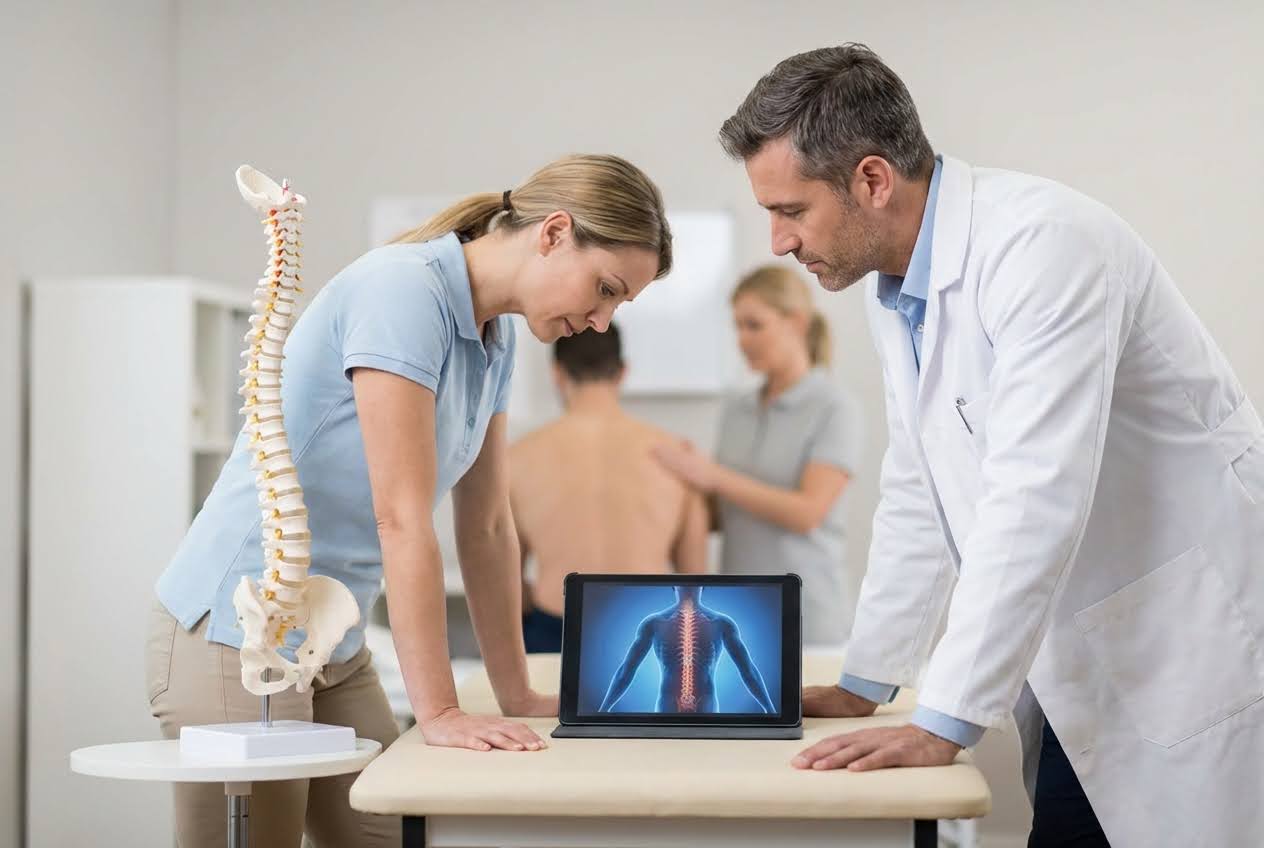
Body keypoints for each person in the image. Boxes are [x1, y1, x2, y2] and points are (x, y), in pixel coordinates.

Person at [719, 43, 1264, 847]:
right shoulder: (896, 288)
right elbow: (918, 484)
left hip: (1182, 646)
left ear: (872, 180)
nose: (777, 242)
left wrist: (944, 720)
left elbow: (1035, 494)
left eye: (791, 211)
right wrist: (870, 677)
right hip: (1085, 656)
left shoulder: (1046, 246)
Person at [148, 154, 673, 846]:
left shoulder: (498, 337)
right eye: (605, 289)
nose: (603, 322)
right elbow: (401, 517)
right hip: (233, 632)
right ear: (552, 233)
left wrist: (516, 694)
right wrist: (442, 713)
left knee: (391, 833)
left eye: (619, 305)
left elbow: (486, 527)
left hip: (331, 641)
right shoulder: (405, 293)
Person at [653, 266, 860, 647]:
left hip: (808, 619)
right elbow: (724, 511)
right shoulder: (736, 408)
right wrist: (677, 486)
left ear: (795, 322)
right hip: (737, 616)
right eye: (737, 327)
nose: (742, 339)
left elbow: (807, 513)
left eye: (754, 325)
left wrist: (712, 476)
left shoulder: (834, 408)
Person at [510, 324, 708, 653]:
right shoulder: (677, 457)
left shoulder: (517, 458)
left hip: (554, 633)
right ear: (623, 371)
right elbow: (695, 581)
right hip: (647, 631)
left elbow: (507, 585)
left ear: (557, 373)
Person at [598, 585, 776, 714]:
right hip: (666, 709)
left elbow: (748, 671)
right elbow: (626, 671)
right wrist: (603, 710)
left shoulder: (722, 623)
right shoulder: (654, 623)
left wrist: (770, 710)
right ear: (672, 586)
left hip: (707, 709)